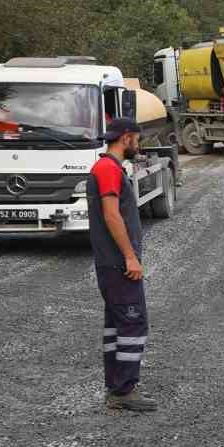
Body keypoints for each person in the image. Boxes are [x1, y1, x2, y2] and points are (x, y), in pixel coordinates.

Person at [87, 116, 157, 412]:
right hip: (118, 263)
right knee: (133, 321)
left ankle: (116, 386)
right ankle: (124, 391)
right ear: (126, 138)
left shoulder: (108, 168)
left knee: (116, 325)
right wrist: (130, 256)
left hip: (111, 263)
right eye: (137, 139)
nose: (138, 145)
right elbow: (112, 215)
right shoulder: (107, 169)